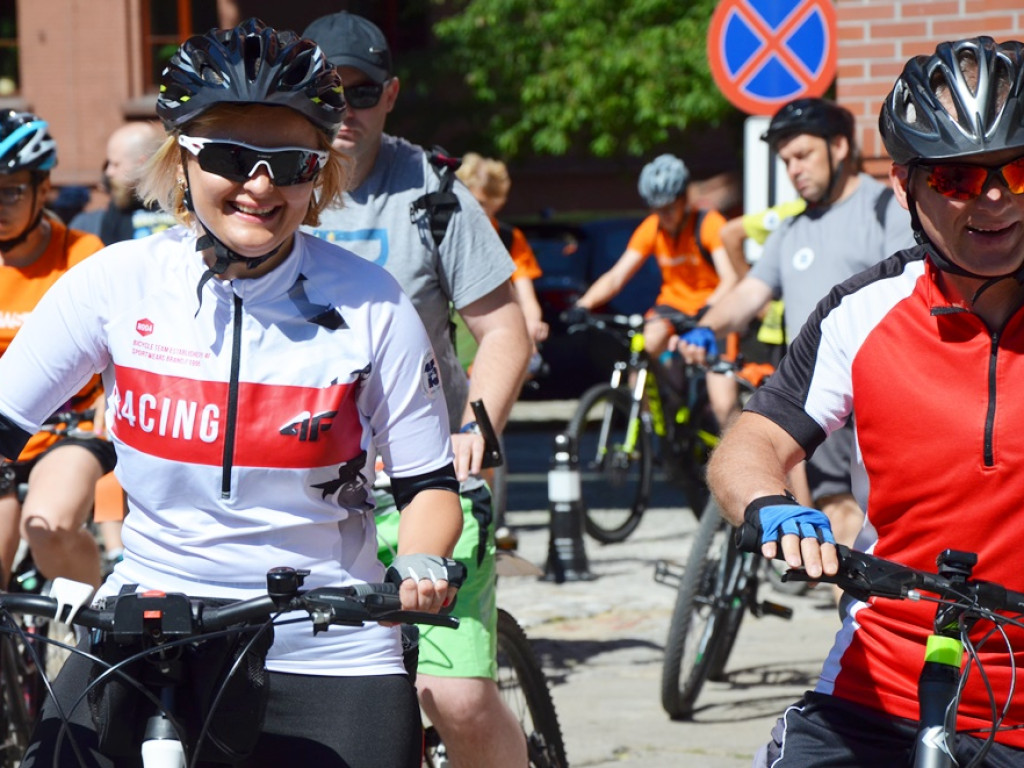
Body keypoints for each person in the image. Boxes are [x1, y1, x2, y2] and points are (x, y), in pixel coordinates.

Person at [6, 19, 463, 767]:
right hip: (148, 629)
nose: (259, 185)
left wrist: (419, 562)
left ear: (319, 175)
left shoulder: (373, 305)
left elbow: (429, 487)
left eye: (290, 163)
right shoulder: (115, 284)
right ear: (181, 160)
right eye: (228, 157)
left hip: (325, 641)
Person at [709, 36, 1024, 765]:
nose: (995, 199)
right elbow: (752, 442)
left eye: (1017, 169)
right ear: (905, 185)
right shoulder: (862, 312)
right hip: (876, 687)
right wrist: (769, 505)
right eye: (956, 178)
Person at [301, 11, 532, 768]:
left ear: (391, 95)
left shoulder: (432, 193)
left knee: (453, 698)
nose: (344, 110)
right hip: (310, 488)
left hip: (422, 480)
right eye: (327, 92)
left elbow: (506, 332)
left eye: (362, 92)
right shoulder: (272, 185)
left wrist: (475, 430)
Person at [677, 97, 915, 551]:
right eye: (786, 161)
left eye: (802, 155)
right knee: (829, 509)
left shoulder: (886, 209)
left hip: (870, 392)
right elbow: (750, 293)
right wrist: (707, 327)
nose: (794, 170)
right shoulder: (791, 229)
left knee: (846, 514)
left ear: (839, 146)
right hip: (813, 396)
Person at [0, 110, 114, 590]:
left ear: (43, 188)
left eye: (10, 192)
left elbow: (116, 341)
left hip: (69, 427)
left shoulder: (82, 253)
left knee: (48, 528)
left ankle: (95, 623)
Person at [72, 120, 178, 572]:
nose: (106, 174)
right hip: (129, 357)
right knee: (112, 453)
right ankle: (116, 552)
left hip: (183, 359)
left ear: (143, 164)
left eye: (114, 165)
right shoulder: (107, 219)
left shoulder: (187, 212)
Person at [572, 153, 742, 429]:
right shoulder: (652, 228)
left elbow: (731, 278)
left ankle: (736, 449)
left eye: (670, 207)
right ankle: (657, 424)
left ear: (684, 199)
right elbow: (616, 276)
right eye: (657, 209)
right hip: (672, 307)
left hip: (713, 308)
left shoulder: (709, 223)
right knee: (642, 347)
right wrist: (584, 304)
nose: (664, 215)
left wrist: (708, 309)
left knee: (724, 405)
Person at [456, 152, 550, 347]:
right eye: (470, 201)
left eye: (483, 203)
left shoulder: (509, 238)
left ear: (498, 202)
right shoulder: (446, 235)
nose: (477, 209)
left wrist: (531, 323)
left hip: (489, 343)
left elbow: (526, 295)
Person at [71, 121, 176, 244]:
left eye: (116, 164)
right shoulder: (89, 225)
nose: (109, 172)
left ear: (142, 164)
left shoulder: (185, 215)